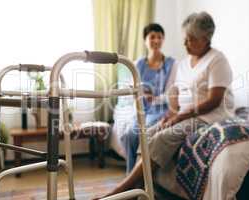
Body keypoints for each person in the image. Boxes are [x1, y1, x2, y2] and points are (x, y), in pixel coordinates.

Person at [94, 11, 234, 199]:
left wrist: (180, 116)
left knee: (164, 137)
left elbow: (213, 100)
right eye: (185, 39)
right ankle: (141, 186)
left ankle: (123, 190)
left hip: (207, 116)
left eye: (190, 39)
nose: (184, 44)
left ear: (205, 38)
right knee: (149, 133)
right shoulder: (184, 63)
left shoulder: (217, 60)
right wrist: (171, 113)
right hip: (186, 114)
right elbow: (175, 92)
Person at [119, 23, 175, 173]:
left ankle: (138, 178)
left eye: (159, 37)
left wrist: (156, 99)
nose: (156, 41)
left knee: (141, 131)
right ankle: (131, 174)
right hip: (141, 109)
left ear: (163, 40)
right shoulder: (138, 64)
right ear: (145, 40)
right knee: (129, 134)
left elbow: (171, 92)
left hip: (161, 110)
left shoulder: (171, 64)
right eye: (152, 37)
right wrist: (142, 95)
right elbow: (133, 89)